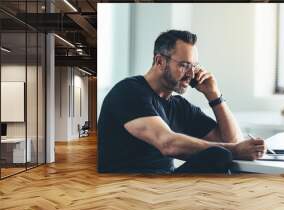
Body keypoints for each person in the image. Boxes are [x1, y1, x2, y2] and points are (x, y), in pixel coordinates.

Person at [98, 30, 266, 174]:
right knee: (221, 154)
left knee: (219, 156)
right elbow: (167, 143)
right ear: (160, 61)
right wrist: (235, 151)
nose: (191, 74)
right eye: (185, 65)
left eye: (194, 66)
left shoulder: (179, 106)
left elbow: (233, 141)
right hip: (126, 190)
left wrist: (214, 96)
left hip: (164, 187)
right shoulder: (129, 91)